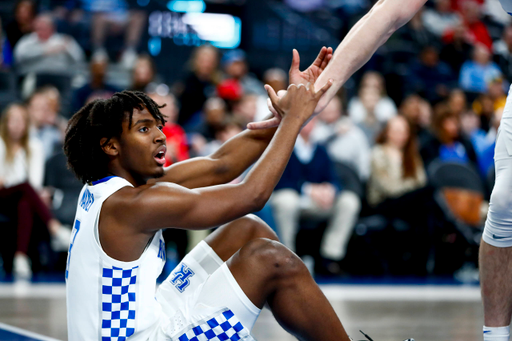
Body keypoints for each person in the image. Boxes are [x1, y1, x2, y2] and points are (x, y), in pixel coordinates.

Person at [270, 117, 361, 273]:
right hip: (295, 200)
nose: (308, 125)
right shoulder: (284, 147)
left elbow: (333, 177)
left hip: (318, 203)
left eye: (312, 121)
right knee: (286, 201)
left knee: (349, 201)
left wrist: (330, 189)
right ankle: (286, 255)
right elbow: (279, 181)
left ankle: (331, 256)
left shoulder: (320, 150)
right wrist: (309, 189)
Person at [0, 103, 68, 279]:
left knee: (25, 203)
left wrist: (10, 181)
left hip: (22, 197)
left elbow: (35, 183)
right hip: (2, 196)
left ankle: (20, 257)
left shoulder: (34, 146)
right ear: (6, 123)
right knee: (24, 188)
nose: (17, 125)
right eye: (13, 121)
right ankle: (55, 228)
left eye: (21, 121)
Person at [13, 13, 85, 75]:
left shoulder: (64, 40)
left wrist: (67, 49)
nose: (40, 31)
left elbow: (79, 59)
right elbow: (18, 57)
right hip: (33, 74)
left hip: (61, 76)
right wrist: (44, 51)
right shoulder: (27, 41)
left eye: (44, 28)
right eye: (38, 28)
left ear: (52, 28)